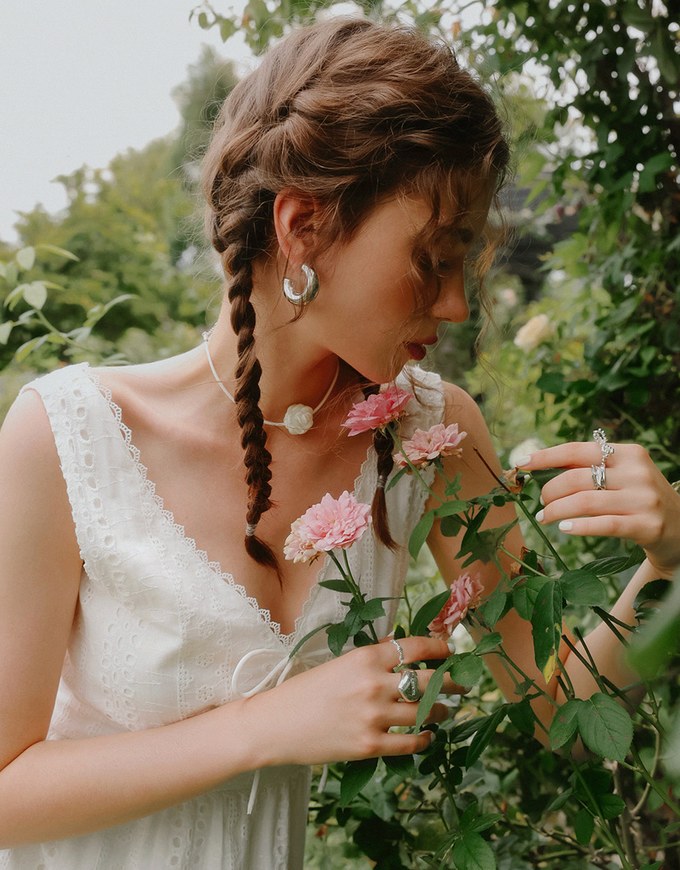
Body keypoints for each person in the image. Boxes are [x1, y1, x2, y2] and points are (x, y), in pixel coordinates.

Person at [0, 16, 678, 869]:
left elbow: (559, 710)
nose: (458, 305)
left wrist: (671, 566)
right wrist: (260, 726)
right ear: (302, 228)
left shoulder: (430, 431)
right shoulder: (65, 438)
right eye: (433, 257)